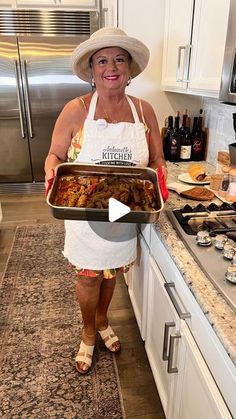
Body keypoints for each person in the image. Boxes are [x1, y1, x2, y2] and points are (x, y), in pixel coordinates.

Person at [44, 27, 168, 374]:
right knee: (89, 277)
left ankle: (102, 321)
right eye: (102, 60)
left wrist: (160, 176)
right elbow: (54, 155)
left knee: (111, 273)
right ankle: (87, 333)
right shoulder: (76, 109)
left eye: (118, 59)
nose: (111, 66)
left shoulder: (144, 111)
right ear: (92, 69)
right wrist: (52, 175)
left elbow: (157, 160)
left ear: (128, 68)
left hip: (127, 211)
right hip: (84, 208)